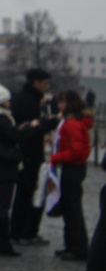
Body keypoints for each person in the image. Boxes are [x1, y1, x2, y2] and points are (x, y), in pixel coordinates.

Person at [0, 80, 39, 257]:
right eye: (7, 100)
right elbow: (15, 135)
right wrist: (33, 127)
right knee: (2, 206)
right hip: (4, 164)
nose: (10, 103)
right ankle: (3, 242)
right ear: (1, 102)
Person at [10, 67, 56, 246]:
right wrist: (49, 123)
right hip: (30, 156)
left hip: (27, 154)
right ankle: (26, 232)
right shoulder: (29, 101)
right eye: (45, 83)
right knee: (31, 194)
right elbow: (30, 129)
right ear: (36, 83)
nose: (47, 86)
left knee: (23, 194)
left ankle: (17, 231)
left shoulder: (23, 98)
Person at [49, 89, 93, 261]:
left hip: (73, 167)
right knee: (69, 207)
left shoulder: (72, 124)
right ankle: (71, 246)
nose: (59, 105)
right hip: (73, 167)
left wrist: (55, 158)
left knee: (72, 209)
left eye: (62, 102)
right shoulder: (72, 122)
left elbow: (75, 152)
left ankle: (79, 248)